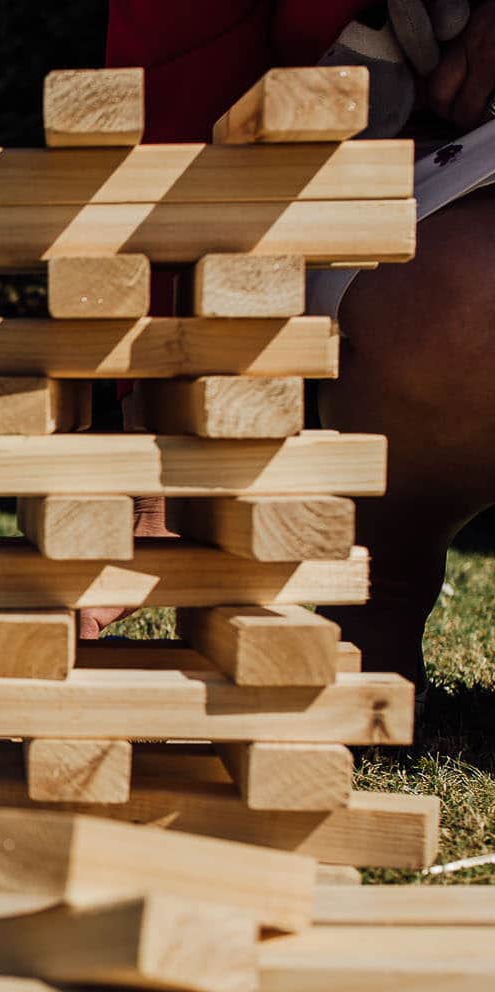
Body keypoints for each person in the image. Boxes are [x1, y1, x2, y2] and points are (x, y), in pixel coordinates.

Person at [107, 1, 495, 686]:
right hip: (405, 168)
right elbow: (175, 87)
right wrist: (160, 414)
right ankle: (385, 583)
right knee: (462, 305)